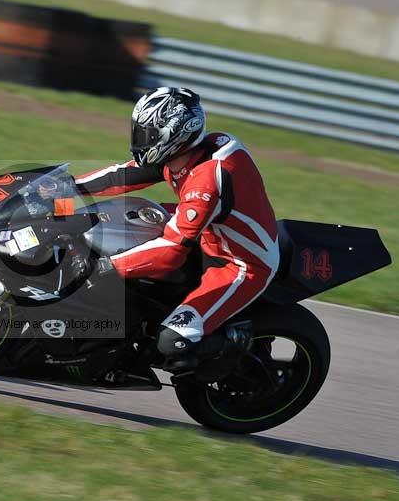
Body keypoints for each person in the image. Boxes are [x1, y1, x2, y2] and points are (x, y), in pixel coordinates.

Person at [70, 87, 279, 367]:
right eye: (138, 132)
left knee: (171, 343)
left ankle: (236, 342)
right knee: (111, 220)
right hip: (205, 232)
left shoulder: (208, 179)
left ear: (174, 134)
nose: (139, 141)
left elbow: (170, 253)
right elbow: (123, 174)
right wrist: (67, 187)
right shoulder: (183, 154)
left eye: (147, 135)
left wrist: (104, 268)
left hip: (238, 263)